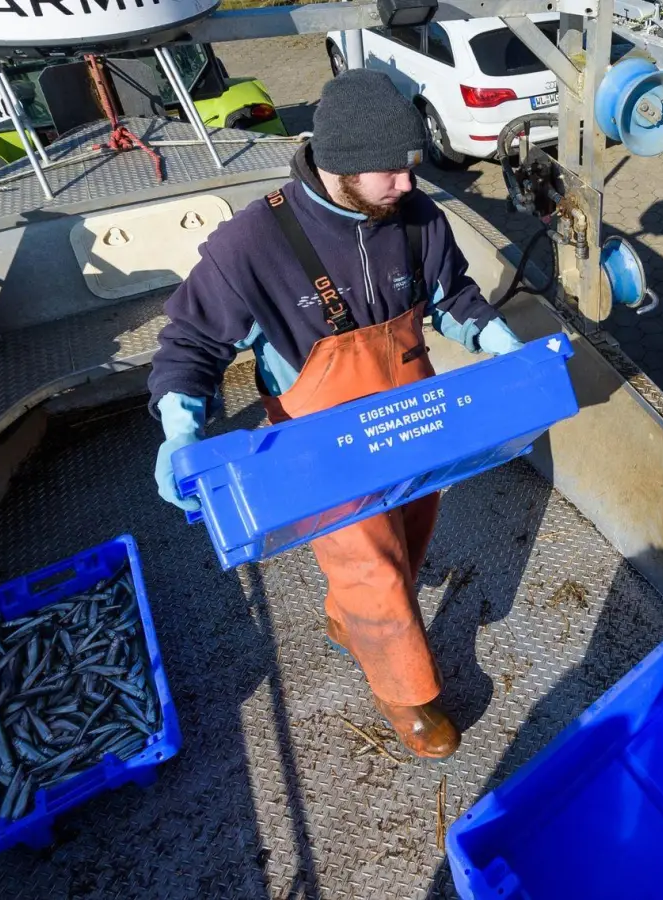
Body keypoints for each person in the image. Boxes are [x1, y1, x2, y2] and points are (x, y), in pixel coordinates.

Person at [146, 70, 525, 758]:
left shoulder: (418, 219)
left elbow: (454, 299)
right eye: (389, 170)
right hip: (320, 444)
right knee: (371, 565)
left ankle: (355, 621)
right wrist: (181, 429)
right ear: (337, 163)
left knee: (407, 536)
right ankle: (407, 693)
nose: (408, 184)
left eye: (409, 166)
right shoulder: (250, 245)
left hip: (414, 421)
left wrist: (502, 344)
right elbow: (192, 341)